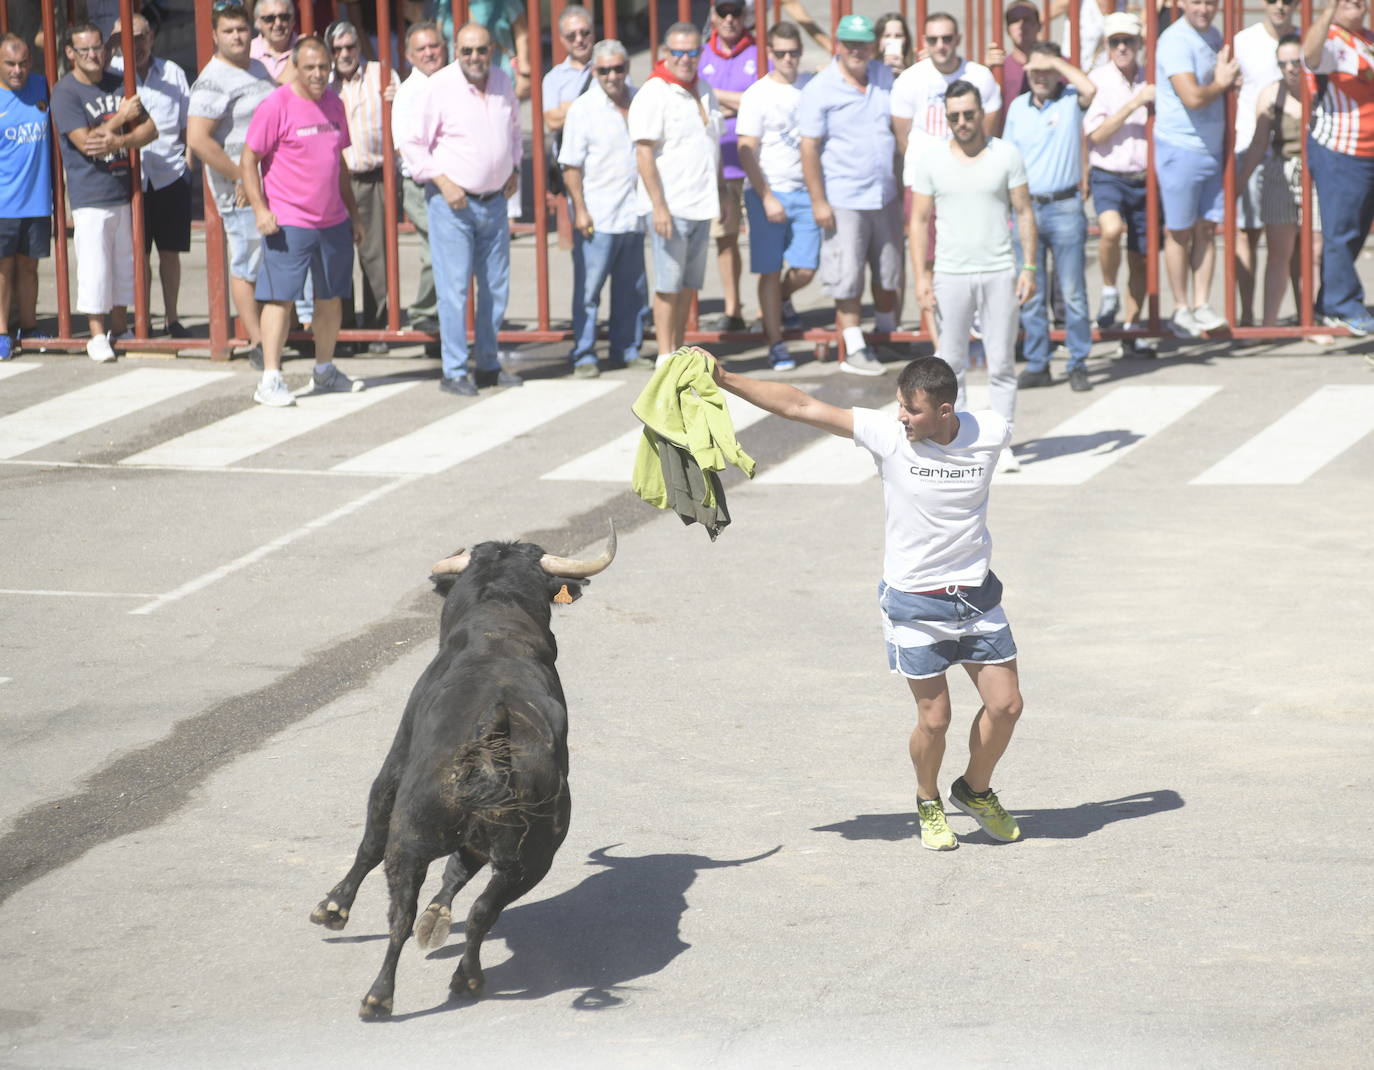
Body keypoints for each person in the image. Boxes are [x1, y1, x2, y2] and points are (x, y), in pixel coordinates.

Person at [711, 352, 1025, 852]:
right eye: (900, 405)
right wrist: (722, 376)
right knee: (935, 719)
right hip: (914, 602)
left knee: (1006, 705)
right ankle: (928, 799)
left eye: (913, 409)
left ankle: (974, 790)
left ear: (946, 411)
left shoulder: (990, 431)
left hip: (976, 598)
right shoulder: (888, 435)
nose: (902, 416)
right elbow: (800, 406)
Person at [241, 34, 366, 406]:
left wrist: (353, 214)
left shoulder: (334, 103)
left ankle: (325, 371)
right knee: (280, 299)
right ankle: (270, 378)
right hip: (290, 220)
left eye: (324, 68)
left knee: (330, 299)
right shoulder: (276, 105)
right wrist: (261, 209)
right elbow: (249, 160)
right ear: (295, 66)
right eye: (309, 67)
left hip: (332, 221)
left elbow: (338, 163)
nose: (318, 74)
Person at [908, 80, 1035, 444]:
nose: (961, 122)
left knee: (1003, 365)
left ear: (981, 113)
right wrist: (921, 276)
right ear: (946, 118)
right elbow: (917, 220)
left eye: (968, 114)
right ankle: (956, 443)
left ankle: (1002, 444)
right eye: (954, 116)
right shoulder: (931, 159)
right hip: (950, 273)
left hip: (999, 271)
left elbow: (1025, 212)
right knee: (949, 367)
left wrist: (1029, 267)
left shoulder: (1006, 154)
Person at [401, 22, 522, 395]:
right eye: (467, 51)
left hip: (494, 202)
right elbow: (412, 144)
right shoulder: (439, 87)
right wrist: (442, 180)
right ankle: (454, 370)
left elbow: (515, 131)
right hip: (452, 203)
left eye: (481, 50)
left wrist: (514, 166)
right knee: (454, 290)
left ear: (492, 51)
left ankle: (487, 363)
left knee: (495, 288)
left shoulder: (503, 82)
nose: (474, 58)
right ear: (457, 52)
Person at [799, 13, 902, 376]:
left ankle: (886, 336)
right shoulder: (820, 88)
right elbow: (808, 147)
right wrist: (818, 201)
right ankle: (854, 347)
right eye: (851, 43)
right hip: (844, 196)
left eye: (864, 43)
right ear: (839, 45)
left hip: (884, 194)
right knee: (848, 274)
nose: (858, 50)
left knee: (889, 271)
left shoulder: (884, 76)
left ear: (874, 45)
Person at [51, 22, 158, 363]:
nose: (95, 55)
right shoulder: (66, 92)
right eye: (85, 50)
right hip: (89, 195)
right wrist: (120, 119)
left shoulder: (117, 81)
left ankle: (119, 328)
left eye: (98, 47)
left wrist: (121, 141)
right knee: (95, 267)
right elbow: (86, 144)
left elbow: (151, 129)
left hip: (122, 189)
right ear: (71, 54)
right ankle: (96, 335)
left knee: (124, 265)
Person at [1003, 42, 1097, 393]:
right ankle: (1038, 362)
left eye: (1047, 71)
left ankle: (1078, 361)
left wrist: (1055, 60)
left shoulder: (1071, 100)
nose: (1040, 78)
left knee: (1072, 290)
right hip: (1027, 208)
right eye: (1034, 72)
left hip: (1065, 206)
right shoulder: (1017, 108)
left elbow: (1091, 89)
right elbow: (1008, 156)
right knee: (1031, 288)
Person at [629, 22, 723, 362]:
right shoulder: (655, 93)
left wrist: (722, 192)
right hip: (672, 205)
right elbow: (643, 153)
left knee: (687, 285)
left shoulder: (704, 87)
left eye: (692, 52)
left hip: (701, 202)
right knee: (667, 286)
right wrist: (659, 207)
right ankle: (665, 357)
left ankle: (678, 351)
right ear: (665, 54)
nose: (686, 58)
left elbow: (711, 145)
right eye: (679, 52)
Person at [188, 3, 275, 368]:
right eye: (229, 31)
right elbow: (198, 139)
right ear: (215, 36)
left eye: (242, 29)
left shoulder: (256, 67)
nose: (238, 36)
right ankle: (257, 340)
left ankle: (273, 333)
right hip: (240, 190)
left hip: (267, 183)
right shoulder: (213, 79)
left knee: (268, 259)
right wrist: (243, 176)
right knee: (247, 261)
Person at [558, 39, 648, 376]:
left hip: (633, 212)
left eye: (618, 68)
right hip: (598, 213)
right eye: (604, 70)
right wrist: (579, 208)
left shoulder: (641, 99)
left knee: (632, 289)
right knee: (589, 290)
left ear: (627, 68)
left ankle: (626, 349)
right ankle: (584, 353)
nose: (612, 75)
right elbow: (570, 166)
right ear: (594, 71)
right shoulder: (583, 109)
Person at [1154, 0, 1239, 339]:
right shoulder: (1175, 40)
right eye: (1196, 2)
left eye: (1210, 2)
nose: (1204, 9)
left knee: (1206, 229)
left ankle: (1202, 304)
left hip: (1211, 147)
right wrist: (1222, 83)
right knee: (1179, 230)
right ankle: (1180, 307)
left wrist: (1229, 83)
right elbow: (1191, 95)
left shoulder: (1214, 35)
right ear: (1181, 4)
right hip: (1181, 146)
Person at [736, 20, 818, 370]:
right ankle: (776, 343)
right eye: (781, 53)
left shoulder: (812, 85)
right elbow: (745, 150)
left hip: (806, 191)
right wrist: (767, 195)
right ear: (770, 53)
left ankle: (782, 300)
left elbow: (846, 59)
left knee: (805, 268)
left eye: (794, 52)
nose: (788, 59)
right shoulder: (758, 93)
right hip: (768, 191)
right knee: (769, 270)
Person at [109, 13, 193, 338]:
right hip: (130, 179)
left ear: (152, 38)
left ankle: (172, 319)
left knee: (170, 253)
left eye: (141, 36)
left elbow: (188, 124)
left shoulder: (172, 72)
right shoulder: (112, 74)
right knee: (136, 254)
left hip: (170, 175)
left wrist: (188, 164)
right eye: (127, 39)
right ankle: (141, 319)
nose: (136, 44)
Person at [1239, 32, 1329, 334]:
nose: (1290, 68)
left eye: (1296, 62)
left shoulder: (1321, 91)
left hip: (1316, 172)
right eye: (1284, 64)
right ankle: (1269, 324)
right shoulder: (1269, 95)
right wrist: (1238, 183)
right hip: (1280, 171)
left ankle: (1312, 318)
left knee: (1315, 250)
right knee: (1279, 250)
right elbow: (1258, 144)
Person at [1084, 12, 1157, 357]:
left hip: (1145, 177)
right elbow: (1095, 135)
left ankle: (1132, 326)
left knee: (1141, 257)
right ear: (1107, 46)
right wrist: (1133, 105)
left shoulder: (1151, 78)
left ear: (1139, 43)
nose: (1123, 47)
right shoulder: (1098, 80)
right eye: (1116, 42)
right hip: (1110, 174)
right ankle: (1110, 289)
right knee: (1110, 230)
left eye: (1128, 40)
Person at [1303, 0, 1374, 336]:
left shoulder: (1367, 39)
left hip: (1368, 151)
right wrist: (1328, 11)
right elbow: (1309, 56)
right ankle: (1344, 304)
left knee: (1356, 231)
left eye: (1360, 2)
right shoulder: (1330, 39)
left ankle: (1328, 302)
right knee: (1341, 230)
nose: (1355, 6)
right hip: (1340, 149)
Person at [325, 19, 397, 345]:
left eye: (349, 46)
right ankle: (345, 330)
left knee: (375, 257)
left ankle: (377, 327)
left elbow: (401, 117)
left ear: (359, 46)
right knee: (338, 258)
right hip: (333, 181)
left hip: (372, 178)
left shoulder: (382, 75)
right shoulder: (323, 82)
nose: (344, 53)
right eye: (337, 48)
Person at [698, 0, 760, 332]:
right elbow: (698, 104)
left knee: (765, 239)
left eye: (736, 12)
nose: (730, 19)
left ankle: (770, 308)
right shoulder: (701, 54)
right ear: (713, 16)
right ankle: (733, 308)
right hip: (719, 166)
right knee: (726, 239)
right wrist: (738, 102)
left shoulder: (757, 52)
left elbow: (759, 100)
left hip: (756, 164)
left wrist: (717, 98)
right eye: (723, 12)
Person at [1232, 0, 1295, 327]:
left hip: (1288, 155)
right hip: (1249, 147)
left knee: (1292, 242)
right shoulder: (1245, 41)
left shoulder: (1300, 42)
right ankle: (1246, 315)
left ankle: (1301, 315)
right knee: (1247, 233)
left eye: (1288, 1)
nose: (1280, 7)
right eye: (1273, 0)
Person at [390, 20, 444, 336]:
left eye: (433, 46)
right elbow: (404, 147)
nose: (429, 53)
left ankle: (436, 313)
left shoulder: (452, 81)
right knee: (438, 245)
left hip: (450, 179)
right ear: (409, 56)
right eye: (421, 49)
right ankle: (426, 310)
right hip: (421, 183)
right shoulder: (409, 92)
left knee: (438, 246)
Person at [0, 34, 52, 360]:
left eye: (22, 63)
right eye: (9, 64)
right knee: (3, 270)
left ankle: (30, 328)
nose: (17, 70)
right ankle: (2, 331)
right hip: (3, 203)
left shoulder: (42, 86)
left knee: (29, 268)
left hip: (37, 201)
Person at [890, 11, 1001, 152]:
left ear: (958, 39)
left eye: (947, 39)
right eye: (933, 40)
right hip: (923, 166)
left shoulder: (981, 77)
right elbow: (902, 139)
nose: (940, 45)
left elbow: (989, 133)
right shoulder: (908, 79)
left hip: (969, 165)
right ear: (924, 42)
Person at [541, 4, 595, 135]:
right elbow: (552, 122)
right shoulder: (553, 78)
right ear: (562, 39)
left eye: (584, 33)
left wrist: (568, 108)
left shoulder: (611, 68)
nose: (579, 39)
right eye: (571, 36)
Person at [985, 0, 1040, 124]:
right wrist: (985, 72)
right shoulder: (998, 67)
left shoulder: (1057, 65)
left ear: (1039, 25)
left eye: (1027, 19)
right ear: (1007, 29)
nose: (1021, 25)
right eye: (1014, 20)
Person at [251, 0, 298, 83]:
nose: (278, 23)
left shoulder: (305, 50)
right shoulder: (248, 52)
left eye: (284, 17)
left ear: (293, 20)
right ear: (257, 22)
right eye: (269, 18)